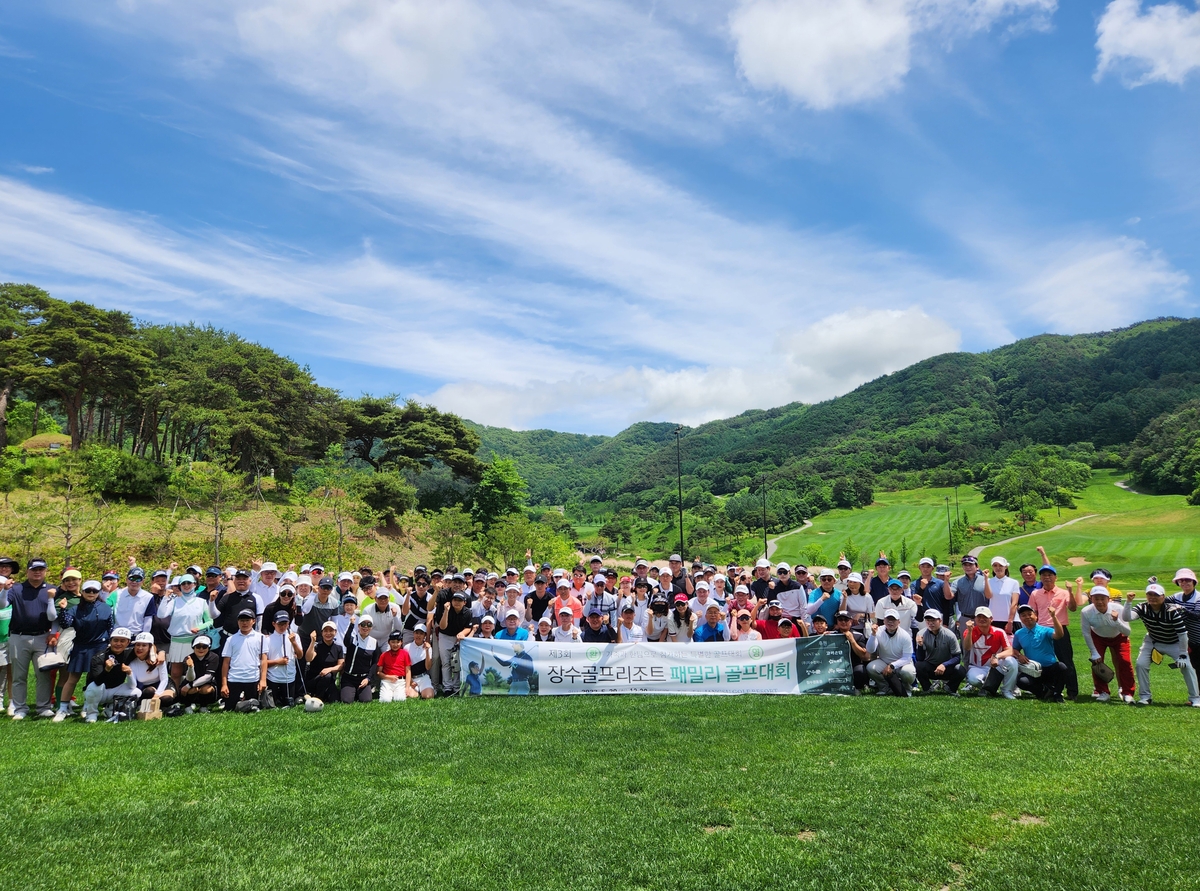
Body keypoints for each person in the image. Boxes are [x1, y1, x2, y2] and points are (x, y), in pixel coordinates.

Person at [1123, 581, 1200, 707]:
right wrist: (1128, 602)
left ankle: (1195, 698)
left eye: (1156, 595)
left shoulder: (1172, 611)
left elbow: (1182, 634)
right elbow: (1127, 618)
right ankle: (1145, 697)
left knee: (1187, 667)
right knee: (1140, 664)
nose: (1152, 597)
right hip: (1153, 641)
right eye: (1150, 594)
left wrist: (1183, 654)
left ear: (1163, 597)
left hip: (1173, 642)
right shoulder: (1143, 607)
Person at [1, 558, 57, 720]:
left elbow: (55, 617)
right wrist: (4, 590)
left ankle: (43, 707)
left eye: (41, 569)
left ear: (45, 571)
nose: (37, 572)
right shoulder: (16, 589)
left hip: (43, 637)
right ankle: (20, 708)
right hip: (18, 637)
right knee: (19, 675)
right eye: (34, 569)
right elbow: (2, 605)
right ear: (27, 571)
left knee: (43, 675)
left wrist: (53, 633)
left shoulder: (51, 590)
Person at [53, 579, 113, 722]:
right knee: (72, 678)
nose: (91, 593)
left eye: (94, 591)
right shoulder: (75, 609)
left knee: (94, 679)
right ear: (83, 592)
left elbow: (110, 627)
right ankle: (62, 708)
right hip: (81, 646)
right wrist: (62, 609)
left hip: (99, 646)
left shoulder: (106, 608)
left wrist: (111, 643)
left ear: (98, 593)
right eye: (88, 591)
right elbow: (66, 623)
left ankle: (88, 707)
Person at [1027, 560, 1081, 700]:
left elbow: (1073, 608)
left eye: (1050, 574)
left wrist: (1070, 591)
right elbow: (1033, 613)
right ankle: (1048, 688)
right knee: (1043, 661)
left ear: (1055, 577)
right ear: (1040, 578)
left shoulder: (1063, 593)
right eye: (1044, 575)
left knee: (1066, 660)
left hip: (1060, 629)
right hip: (1042, 630)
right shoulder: (1035, 594)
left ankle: (1072, 691)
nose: (1047, 577)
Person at [158, 573, 217, 686]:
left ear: (194, 584)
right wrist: (165, 597)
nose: (186, 585)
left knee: (196, 670)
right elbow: (161, 614)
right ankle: (176, 696)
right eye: (183, 583)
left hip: (195, 640)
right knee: (175, 672)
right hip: (177, 640)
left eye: (189, 583)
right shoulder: (174, 601)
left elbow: (210, 621)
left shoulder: (201, 602)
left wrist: (199, 628)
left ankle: (193, 696)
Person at [1001, 603, 1067, 702]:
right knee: (1021, 681)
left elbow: (1059, 635)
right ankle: (1043, 692)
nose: (1027, 617)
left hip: (1049, 668)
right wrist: (1019, 655)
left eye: (1029, 614)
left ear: (1036, 616)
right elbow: (1015, 649)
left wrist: (1053, 617)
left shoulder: (1045, 630)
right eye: (1023, 615)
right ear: (1020, 618)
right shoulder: (1019, 633)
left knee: (1062, 667)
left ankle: (1057, 693)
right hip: (1033, 670)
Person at [1079, 586, 1134, 703]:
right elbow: (1086, 632)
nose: (1099, 601)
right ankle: (1103, 691)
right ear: (1091, 599)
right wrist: (1094, 652)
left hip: (1119, 637)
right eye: (1096, 598)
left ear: (1108, 599)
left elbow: (1127, 631)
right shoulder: (1086, 612)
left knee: (1125, 662)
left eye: (1102, 598)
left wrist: (1116, 620)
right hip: (1098, 637)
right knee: (1097, 662)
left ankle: (1127, 693)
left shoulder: (1118, 608)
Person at [81, 627, 137, 723]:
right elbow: (97, 682)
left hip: (114, 690)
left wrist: (159, 652)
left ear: (128, 643)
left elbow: (147, 646)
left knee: (137, 692)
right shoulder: (98, 657)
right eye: (115, 640)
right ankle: (91, 713)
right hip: (97, 691)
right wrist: (106, 669)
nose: (118, 644)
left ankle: (110, 709)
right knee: (95, 686)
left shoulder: (129, 652)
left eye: (122, 641)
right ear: (110, 641)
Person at [961, 607, 1015, 698]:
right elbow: (967, 647)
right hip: (977, 666)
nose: (982, 619)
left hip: (995, 666)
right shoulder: (969, 631)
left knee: (1011, 661)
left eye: (985, 617)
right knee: (973, 680)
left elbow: (1010, 651)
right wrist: (970, 631)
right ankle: (987, 687)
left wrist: (997, 656)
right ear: (975, 619)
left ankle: (1007, 690)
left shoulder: (999, 632)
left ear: (991, 619)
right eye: (979, 617)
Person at [220, 610, 267, 711]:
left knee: (254, 708)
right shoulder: (230, 639)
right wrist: (224, 684)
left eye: (247, 620)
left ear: (253, 621)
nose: (244, 623)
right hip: (234, 679)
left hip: (252, 679)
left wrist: (263, 680)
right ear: (238, 622)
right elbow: (226, 663)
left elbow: (263, 660)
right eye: (241, 620)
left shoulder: (261, 638)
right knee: (229, 709)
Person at [914, 610, 966, 694]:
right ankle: (927, 688)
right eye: (928, 620)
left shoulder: (950, 635)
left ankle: (950, 688)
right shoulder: (921, 634)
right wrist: (920, 646)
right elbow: (920, 658)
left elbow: (957, 657)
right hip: (931, 667)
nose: (930, 623)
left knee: (960, 669)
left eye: (933, 620)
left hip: (946, 668)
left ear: (940, 621)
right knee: (918, 665)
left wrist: (944, 665)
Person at [866, 609, 915, 696]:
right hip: (884, 662)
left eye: (893, 620)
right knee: (871, 667)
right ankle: (884, 687)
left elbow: (907, 658)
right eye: (888, 619)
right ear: (884, 620)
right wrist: (873, 634)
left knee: (908, 672)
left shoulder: (905, 635)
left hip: (902, 664)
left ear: (898, 622)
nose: (890, 622)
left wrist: (892, 665)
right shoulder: (878, 631)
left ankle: (906, 688)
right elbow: (870, 650)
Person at [264, 610, 304, 707]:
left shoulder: (295, 637)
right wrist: (278, 662)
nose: (282, 627)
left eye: (285, 623)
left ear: (288, 623)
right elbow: (263, 662)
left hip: (289, 678)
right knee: (272, 705)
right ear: (274, 624)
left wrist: (294, 642)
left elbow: (300, 656)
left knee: (289, 704)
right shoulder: (267, 639)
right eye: (280, 624)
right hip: (272, 678)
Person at [130, 631, 176, 712]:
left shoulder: (158, 659)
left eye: (144, 645)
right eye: (137, 644)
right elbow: (133, 684)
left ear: (150, 647)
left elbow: (164, 679)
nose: (140, 648)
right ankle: (158, 707)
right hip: (148, 688)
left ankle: (167, 706)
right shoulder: (132, 662)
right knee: (148, 692)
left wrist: (157, 694)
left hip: (164, 683)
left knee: (166, 699)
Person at [341, 615, 380, 703]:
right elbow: (346, 641)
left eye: (369, 624)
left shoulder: (374, 642)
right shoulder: (353, 639)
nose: (366, 627)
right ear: (358, 626)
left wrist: (368, 679)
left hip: (363, 678)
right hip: (349, 678)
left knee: (366, 700)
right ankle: (351, 691)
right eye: (363, 624)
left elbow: (374, 662)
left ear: (371, 627)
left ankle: (358, 692)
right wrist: (351, 624)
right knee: (347, 701)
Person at [304, 621, 344, 703]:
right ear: (322, 633)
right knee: (327, 676)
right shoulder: (317, 646)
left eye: (331, 631)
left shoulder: (338, 648)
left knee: (335, 700)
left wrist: (329, 669)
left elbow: (340, 666)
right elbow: (308, 658)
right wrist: (312, 642)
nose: (328, 633)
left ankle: (322, 695)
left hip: (329, 681)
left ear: (335, 632)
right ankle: (318, 698)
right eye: (325, 631)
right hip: (314, 680)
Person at [1167, 568, 1200, 667]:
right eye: (1181, 580)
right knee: (1190, 669)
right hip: (1186, 641)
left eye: (1188, 580)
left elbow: (1197, 616)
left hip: (1198, 641)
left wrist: (1181, 609)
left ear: (1193, 582)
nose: (1184, 582)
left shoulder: (1198, 597)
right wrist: (1153, 585)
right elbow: (1160, 602)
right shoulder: (1177, 596)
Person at [829, 612, 870, 692]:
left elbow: (862, 654)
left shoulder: (858, 635)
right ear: (837, 621)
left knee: (860, 670)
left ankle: (858, 687)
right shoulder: (831, 635)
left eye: (846, 619)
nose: (843, 622)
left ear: (851, 621)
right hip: (835, 665)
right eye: (840, 619)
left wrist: (852, 641)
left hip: (853, 664)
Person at [178, 635, 220, 712]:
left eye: (204, 647)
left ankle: (203, 706)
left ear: (209, 647)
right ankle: (188, 705)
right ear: (193, 647)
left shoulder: (214, 657)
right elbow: (190, 678)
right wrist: (191, 667)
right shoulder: (188, 658)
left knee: (206, 690)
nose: (201, 649)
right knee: (192, 690)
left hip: (207, 682)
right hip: (190, 681)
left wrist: (189, 685)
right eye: (198, 646)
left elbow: (208, 676)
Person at [949, 556, 989, 629]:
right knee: (965, 640)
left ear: (977, 567)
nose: (968, 567)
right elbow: (949, 596)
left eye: (970, 565)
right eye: (965, 565)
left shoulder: (985, 580)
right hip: (965, 618)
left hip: (982, 618)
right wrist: (946, 581)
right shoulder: (957, 582)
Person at [376, 631, 412, 703]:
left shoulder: (405, 654)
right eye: (393, 642)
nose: (395, 644)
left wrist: (407, 687)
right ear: (389, 642)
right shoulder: (384, 655)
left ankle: (395, 694)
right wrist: (389, 677)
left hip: (400, 681)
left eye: (398, 642)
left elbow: (408, 671)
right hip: (387, 681)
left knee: (399, 700)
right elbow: (378, 672)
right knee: (385, 700)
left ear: (401, 642)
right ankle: (388, 693)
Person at [404, 624, 435, 699]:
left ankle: (422, 690)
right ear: (413, 634)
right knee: (408, 695)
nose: (418, 635)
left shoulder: (429, 648)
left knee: (429, 696)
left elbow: (428, 667)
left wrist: (427, 651)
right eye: (416, 633)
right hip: (411, 678)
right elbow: (404, 667)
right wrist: (410, 681)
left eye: (421, 633)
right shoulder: (407, 647)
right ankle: (417, 692)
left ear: (425, 635)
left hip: (423, 678)